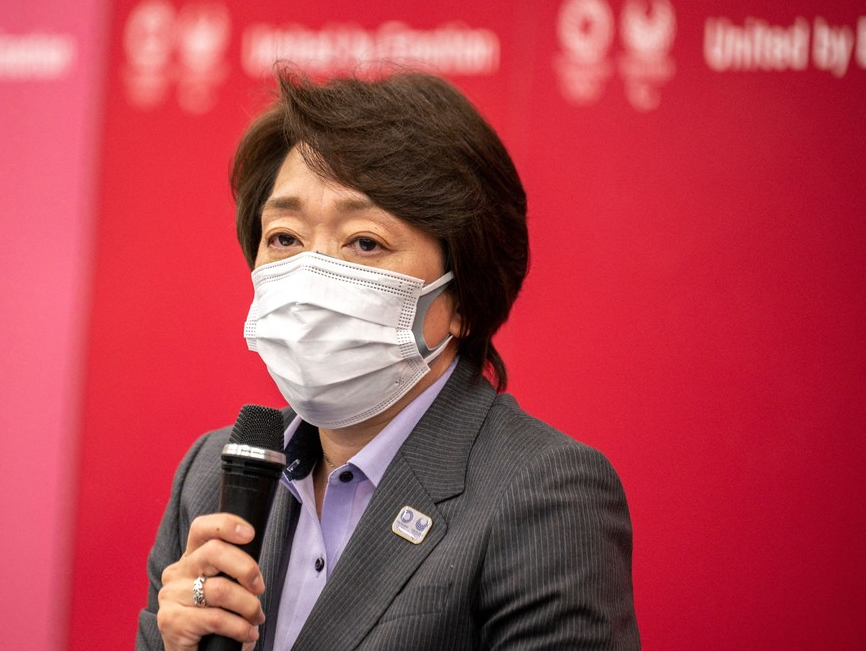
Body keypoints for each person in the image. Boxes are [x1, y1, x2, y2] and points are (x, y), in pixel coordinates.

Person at [137, 68, 639, 651]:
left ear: (462, 299)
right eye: (285, 238)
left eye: (364, 242)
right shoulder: (211, 477)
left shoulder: (541, 494)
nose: (312, 275)